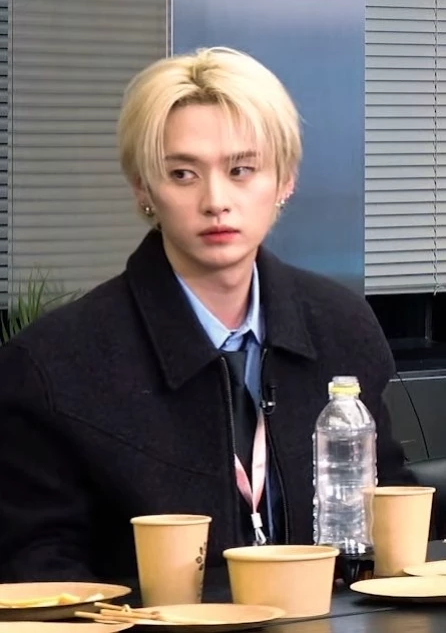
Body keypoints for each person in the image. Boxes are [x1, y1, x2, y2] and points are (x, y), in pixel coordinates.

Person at [0, 47, 411, 584]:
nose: (216, 200)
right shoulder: (52, 366)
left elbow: (394, 516)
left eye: (242, 170)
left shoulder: (342, 325)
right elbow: (39, 576)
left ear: (285, 180)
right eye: (183, 174)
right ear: (143, 188)